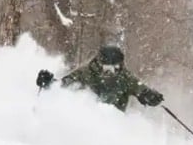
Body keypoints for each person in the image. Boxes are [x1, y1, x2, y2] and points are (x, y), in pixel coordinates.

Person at [35, 45, 163, 112]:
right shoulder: (86, 73)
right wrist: (49, 82)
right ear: (99, 64)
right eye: (106, 68)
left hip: (116, 125)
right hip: (88, 123)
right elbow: (62, 86)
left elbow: (141, 89)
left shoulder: (125, 78)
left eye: (115, 68)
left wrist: (150, 96)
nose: (110, 72)